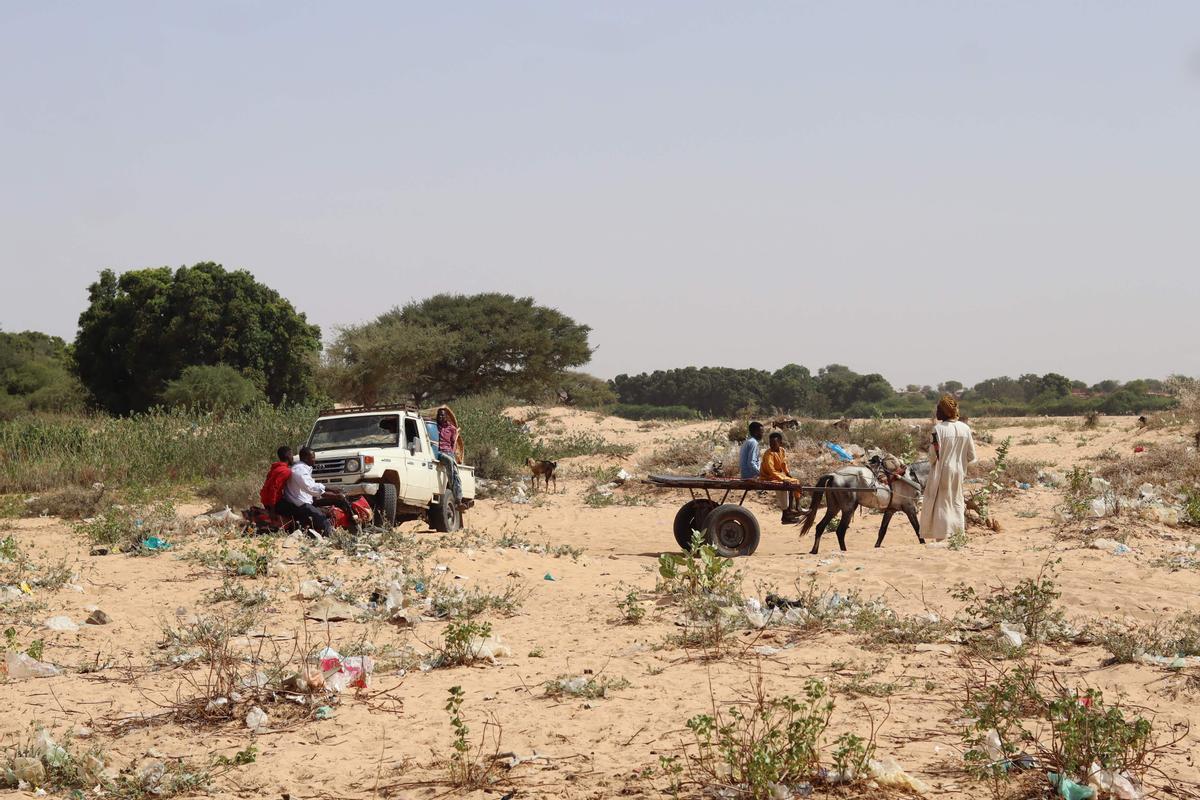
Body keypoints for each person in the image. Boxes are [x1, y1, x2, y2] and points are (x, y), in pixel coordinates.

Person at [918, 395, 977, 542]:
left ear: (943, 411)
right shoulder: (965, 428)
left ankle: (941, 537)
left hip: (942, 471)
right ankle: (957, 535)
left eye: (938, 409)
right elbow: (971, 456)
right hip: (959, 472)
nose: (936, 412)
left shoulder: (938, 430)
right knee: (956, 501)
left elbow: (933, 456)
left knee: (941, 503)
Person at [277, 446, 352, 537]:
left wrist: (333, 490)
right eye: (312, 457)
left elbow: (314, 484)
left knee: (332, 506)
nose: (314, 460)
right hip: (300, 504)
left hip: (305, 500)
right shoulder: (299, 470)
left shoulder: (303, 468)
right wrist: (334, 496)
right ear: (305, 458)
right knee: (323, 519)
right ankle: (331, 538)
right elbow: (311, 488)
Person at [759, 432, 804, 523]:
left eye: (774, 444)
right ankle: (793, 509)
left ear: (780, 443)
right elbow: (771, 471)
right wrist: (783, 479)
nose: (771, 445)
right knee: (787, 484)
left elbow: (784, 464)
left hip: (778, 475)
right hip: (768, 477)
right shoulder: (768, 454)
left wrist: (787, 474)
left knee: (793, 482)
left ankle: (791, 509)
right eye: (770, 443)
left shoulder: (782, 451)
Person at [434, 406, 463, 507]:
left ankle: (458, 498)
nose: (441, 417)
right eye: (439, 415)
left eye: (443, 415)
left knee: (455, 472)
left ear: (446, 417)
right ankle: (451, 486)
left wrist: (451, 452)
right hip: (439, 452)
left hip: (449, 452)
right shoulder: (434, 426)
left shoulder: (452, 429)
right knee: (449, 461)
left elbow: (453, 444)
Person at [259, 446, 293, 515]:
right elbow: (273, 489)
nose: (293, 457)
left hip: (266, 500)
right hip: (273, 503)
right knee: (297, 511)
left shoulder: (276, 468)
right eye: (292, 454)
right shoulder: (285, 471)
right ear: (288, 456)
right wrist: (272, 510)